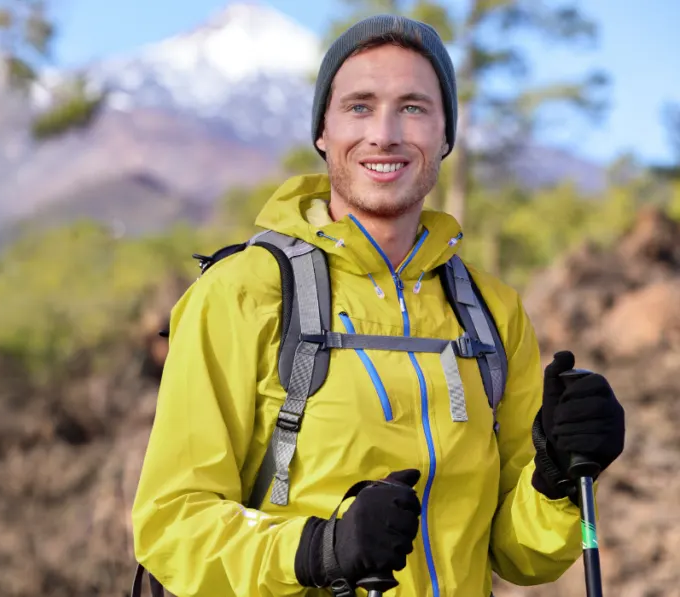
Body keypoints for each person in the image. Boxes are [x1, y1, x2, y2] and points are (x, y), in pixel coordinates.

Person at [130, 13, 626, 597]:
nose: (385, 133)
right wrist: (319, 549)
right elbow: (171, 526)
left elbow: (520, 557)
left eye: (413, 107)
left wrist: (556, 480)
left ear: (445, 136)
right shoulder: (243, 293)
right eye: (359, 106)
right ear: (323, 132)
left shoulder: (493, 313)